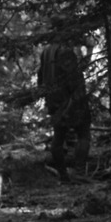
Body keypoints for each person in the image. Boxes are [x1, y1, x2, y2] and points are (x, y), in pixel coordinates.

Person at [37, 37, 92, 180]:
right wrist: (77, 99)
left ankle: (64, 176)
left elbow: (40, 77)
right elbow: (74, 77)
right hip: (70, 102)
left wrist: (47, 96)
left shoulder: (46, 51)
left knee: (59, 137)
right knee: (83, 134)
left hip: (54, 101)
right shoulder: (65, 51)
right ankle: (78, 173)